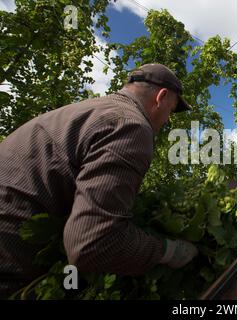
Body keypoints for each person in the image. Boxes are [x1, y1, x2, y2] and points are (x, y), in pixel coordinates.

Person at [0, 63, 198, 298]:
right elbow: (92, 243)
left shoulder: (84, 111)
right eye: (171, 109)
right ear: (161, 97)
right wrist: (167, 251)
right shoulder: (131, 125)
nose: (167, 120)